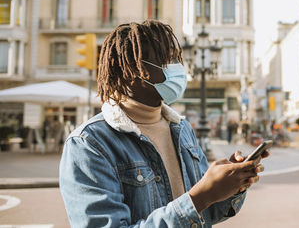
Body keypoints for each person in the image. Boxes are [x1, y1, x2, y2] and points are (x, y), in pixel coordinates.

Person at [59, 20, 269, 227]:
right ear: (136, 70)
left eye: (177, 59)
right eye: (167, 61)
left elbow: (208, 213)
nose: (177, 68)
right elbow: (198, 202)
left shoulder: (181, 128)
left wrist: (230, 185)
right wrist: (200, 197)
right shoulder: (89, 144)